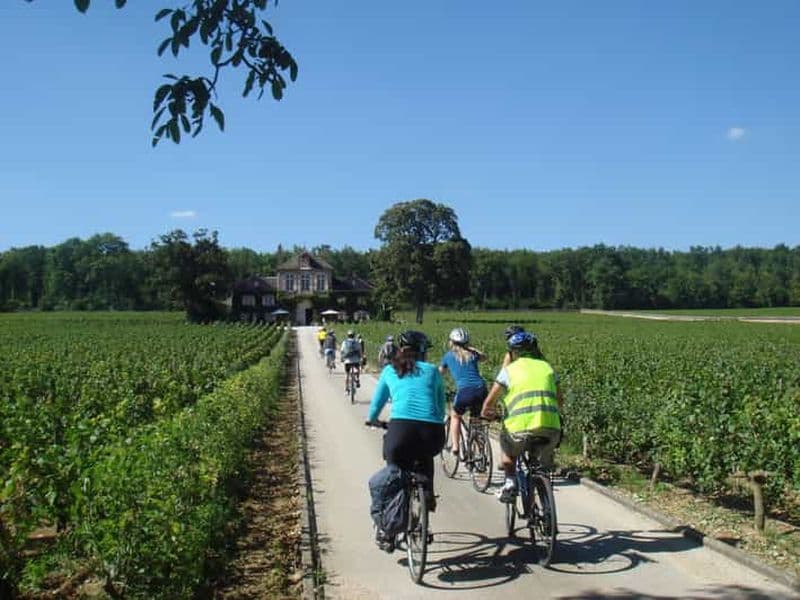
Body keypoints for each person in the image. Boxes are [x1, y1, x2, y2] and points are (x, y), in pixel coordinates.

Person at [367, 330, 446, 544]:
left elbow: (376, 405)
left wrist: (373, 420)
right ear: (423, 353)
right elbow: (440, 405)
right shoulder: (432, 371)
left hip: (401, 431)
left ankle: (387, 531)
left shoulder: (389, 371)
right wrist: (436, 420)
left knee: (395, 472)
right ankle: (426, 492)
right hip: (433, 432)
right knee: (425, 455)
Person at [481, 331, 563, 503]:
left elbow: (490, 401)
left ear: (513, 352)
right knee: (539, 464)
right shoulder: (547, 368)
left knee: (506, 446)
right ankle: (545, 500)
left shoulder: (509, 371)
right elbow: (559, 401)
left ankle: (510, 482)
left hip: (519, 429)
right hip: (551, 428)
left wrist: (487, 412)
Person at [438, 327, 487, 457]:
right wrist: (470, 348)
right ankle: (480, 449)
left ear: (451, 342)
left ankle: (455, 446)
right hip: (481, 389)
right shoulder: (472, 354)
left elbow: (439, 374)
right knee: (476, 420)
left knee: (455, 415)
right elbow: (484, 357)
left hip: (465, 391)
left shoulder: (448, 356)